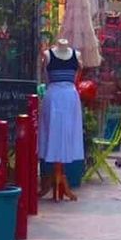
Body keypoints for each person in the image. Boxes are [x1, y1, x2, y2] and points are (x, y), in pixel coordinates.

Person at [38, 38, 85, 201]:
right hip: (55, 97)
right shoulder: (47, 55)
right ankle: (57, 175)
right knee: (52, 130)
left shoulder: (76, 55)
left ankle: (57, 176)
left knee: (67, 131)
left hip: (68, 97)